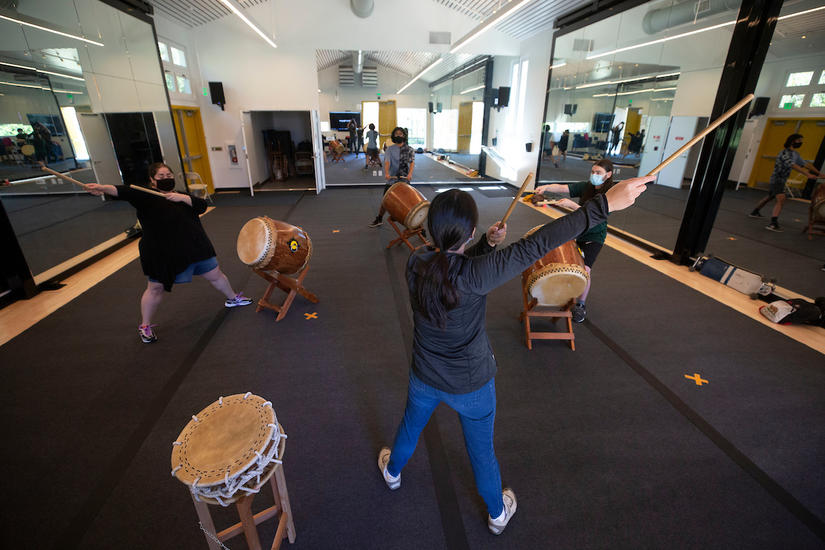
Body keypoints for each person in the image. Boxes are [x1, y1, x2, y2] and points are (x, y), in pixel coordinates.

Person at [377, 175, 652, 535]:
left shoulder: (416, 261)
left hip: (424, 376)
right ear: (471, 231)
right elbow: (535, 245)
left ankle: (392, 472)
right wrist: (603, 206)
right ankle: (496, 513)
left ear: (431, 228)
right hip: (471, 385)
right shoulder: (476, 275)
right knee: (481, 453)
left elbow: (452, 268)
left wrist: (487, 248)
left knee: (410, 426)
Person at [82, 163, 252, 343]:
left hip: (194, 247)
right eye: (161, 176)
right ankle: (145, 325)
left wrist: (181, 198)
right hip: (162, 252)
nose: (166, 178)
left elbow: (201, 206)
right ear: (152, 181)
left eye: (168, 175)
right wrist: (101, 187)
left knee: (216, 275)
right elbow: (121, 190)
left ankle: (232, 298)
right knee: (155, 288)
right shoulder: (144, 196)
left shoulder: (182, 195)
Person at [534, 159, 619, 322]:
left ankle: (580, 305)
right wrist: (546, 187)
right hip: (578, 231)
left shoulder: (609, 196)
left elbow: (593, 215)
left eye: (598, 173)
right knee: (565, 262)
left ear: (608, 175)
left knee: (585, 269)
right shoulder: (587, 186)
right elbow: (564, 188)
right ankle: (565, 295)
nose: (594, 175)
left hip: (595, 236)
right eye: (593, 172)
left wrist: (571, 205)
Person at [749, 133, 825, 232]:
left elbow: (806, 164)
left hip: (782, 180)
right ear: (792, 141)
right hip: (777, 179)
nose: (801, 143)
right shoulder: (784, 153)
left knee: (770, 196)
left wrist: (819, 173)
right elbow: (793, 165)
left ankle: (755, 212)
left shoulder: (795, 154)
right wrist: (807, 175)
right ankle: (773, 223)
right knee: (781, 199)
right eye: (799, 141)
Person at [369, 127, 415, 227]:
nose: (398, 135)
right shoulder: (390, 149)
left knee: (410, 201)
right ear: (394, 136)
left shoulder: (409, 149)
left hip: (404, 178)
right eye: (396, 134)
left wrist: (410, 174)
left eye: (401, 134)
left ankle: (418, 225)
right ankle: (379, 219)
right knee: (385, 200)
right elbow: (387, 162)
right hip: (392, 179)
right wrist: (386, 173)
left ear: (404, 136)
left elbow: (412, 162)